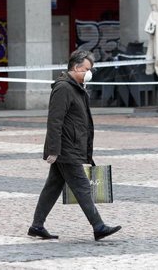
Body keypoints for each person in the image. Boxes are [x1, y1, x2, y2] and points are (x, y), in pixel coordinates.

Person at [28, 49, 122, 241]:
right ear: (77, 67)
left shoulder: (76, 87)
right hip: (65, 148)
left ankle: (37, 226)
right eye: (87, 69)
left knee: (53, 187)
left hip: (70, 146)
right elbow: (55, 120)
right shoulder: (63, 88)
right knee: (82, 186)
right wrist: (53, 150)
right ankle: (98, 226)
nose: (90, 73)